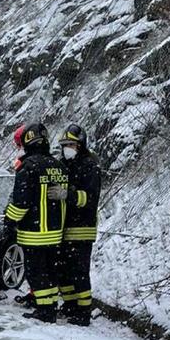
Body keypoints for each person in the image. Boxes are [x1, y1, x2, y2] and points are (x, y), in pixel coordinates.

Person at [3, 122, 68, 323]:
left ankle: (44, 310)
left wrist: (9, 220)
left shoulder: (28, 167)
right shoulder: (58, 166)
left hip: (34, 232)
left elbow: (21, 203)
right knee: (49, 270)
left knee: (37, 272)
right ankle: (49, 306)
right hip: (55, 232)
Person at [57, 124, 101, 326]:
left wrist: (69, 195)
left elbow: (90, 198)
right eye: (64, 144)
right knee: (64, 271)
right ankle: (70, 305)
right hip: (64, 228)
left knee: (79, 272)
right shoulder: (64, 165)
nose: (67, 148)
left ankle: (83, 312)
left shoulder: (89, 165)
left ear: (80, 144)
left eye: (70, 144)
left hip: (82, 228)